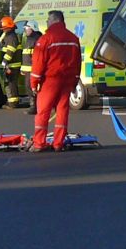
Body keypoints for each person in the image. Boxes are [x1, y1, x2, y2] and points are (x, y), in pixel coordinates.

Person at [28, 9, 83, 151]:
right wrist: (75, 81)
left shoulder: (46, 39)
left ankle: (39, 143)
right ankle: (58, 143)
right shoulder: (74, 39)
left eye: (48, 19)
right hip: (67, 81)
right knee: (62, 112)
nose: (46, 22)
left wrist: (34, 83)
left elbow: (38, 63)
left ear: (54, 20)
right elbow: (78, 62)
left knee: (43, 112)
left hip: (50, 80)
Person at [0, 16, 25, 107]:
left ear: (8, 27)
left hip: (13, 65)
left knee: (11, 83)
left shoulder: (11, 37)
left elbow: (10, 50)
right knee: (10, 83)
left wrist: (4, 61)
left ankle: (13, 103)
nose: (2, 30)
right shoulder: (9, 36)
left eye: (3, 28)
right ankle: (11, 101)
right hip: (11, 64)